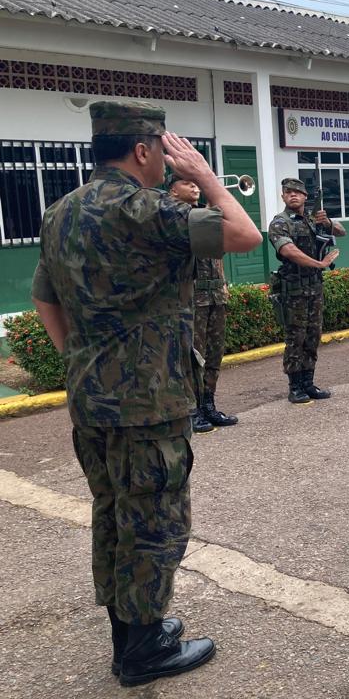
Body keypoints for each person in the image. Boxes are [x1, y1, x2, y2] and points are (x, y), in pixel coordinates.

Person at [30, 101, 261, 686]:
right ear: (143, 150)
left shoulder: (61, 211)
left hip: (93, 400)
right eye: (165, 148)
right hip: (147, 403)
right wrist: (207, 179)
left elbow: (45, 300)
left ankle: (134, 629)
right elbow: (243, 234)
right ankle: (140, 653)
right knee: (155, 521)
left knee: (113, 512)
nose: (168, 159)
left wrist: (80, 362)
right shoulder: (146, 209)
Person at [167, 178, 237, 432]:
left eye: (198, 184)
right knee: (192, 357)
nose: (195, 187)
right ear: (173, 189)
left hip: (216, 296)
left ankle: (208, 404)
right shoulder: (173, 217)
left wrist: (215, 198)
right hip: (191, 300)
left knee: (214, 355)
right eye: (188, 183)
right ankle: (193, 409)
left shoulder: (206, 216)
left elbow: (230, 237)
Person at [267, 178, 343, 402]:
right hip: (294, 289)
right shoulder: (280, 223)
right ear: (282, 196)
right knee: (295, 337)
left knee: (312, 336)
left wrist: (327, 222)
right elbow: (288, 250)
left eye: (297, 192)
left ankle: (308, 382)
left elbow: (341, 231)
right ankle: (295, 386)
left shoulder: (312, 220)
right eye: (288, 192)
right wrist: (318, 264)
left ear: (305, 197)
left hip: (314, 287)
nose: (293, 195)